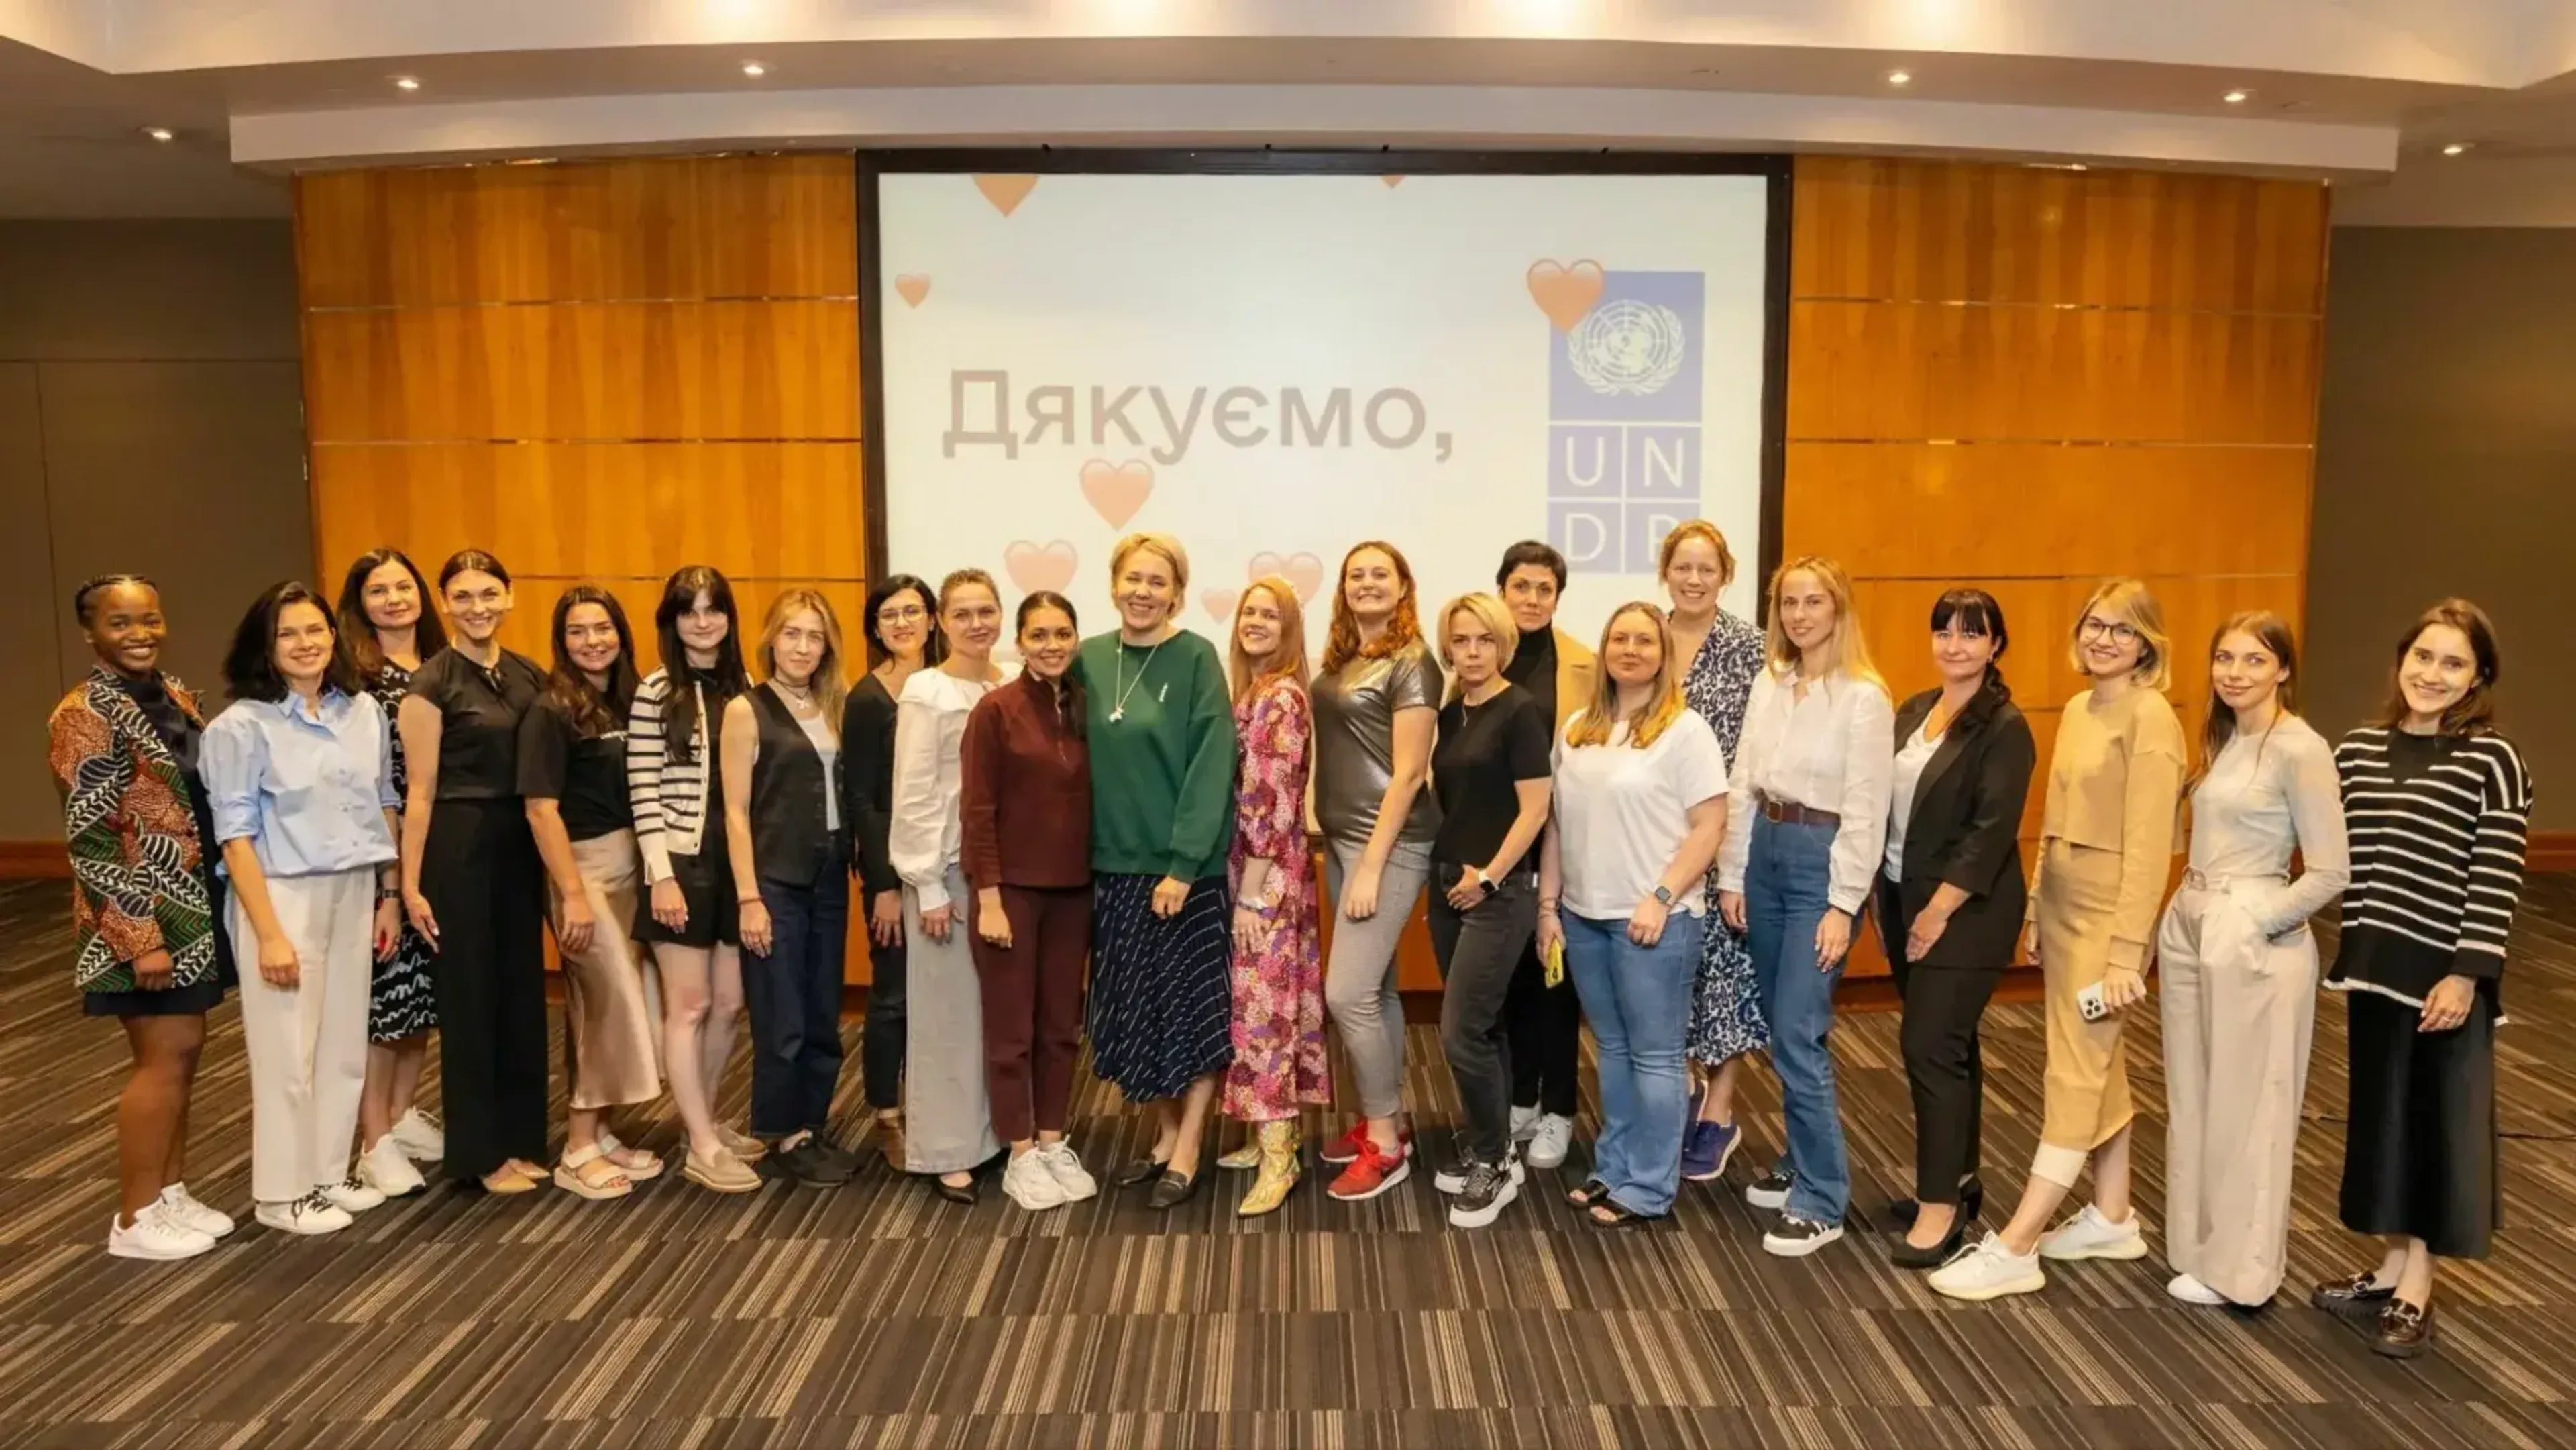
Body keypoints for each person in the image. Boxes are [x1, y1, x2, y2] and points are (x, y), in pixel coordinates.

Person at [1933, 578, 2184, 1301]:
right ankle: (2111, 1213)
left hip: (2111, 916)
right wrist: (2039, 905)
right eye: (2095, 624)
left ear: (2148, 644)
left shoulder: (2151, 718)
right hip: (2068, 906)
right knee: (2094, 1059)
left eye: (2123, 630)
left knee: (2076, 1068)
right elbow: (2054, 817)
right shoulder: (2080, 706)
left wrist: (2125, 953)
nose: (2104, 639)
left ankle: (2018, 1243)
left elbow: (2148, 849)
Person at [2310, 599, 2531, 1359]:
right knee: (2384, 1125)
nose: (2432, 674)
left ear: (2479, 677)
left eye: (2453, 663)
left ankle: (2419, 1285)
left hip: (2444, 980)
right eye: (2424, 656)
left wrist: (2468, 974)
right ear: (2401, 658)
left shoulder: (2492, 761)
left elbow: (2496, 875)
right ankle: (2390, 1262)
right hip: (2373, 969)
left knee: (2438, 1132)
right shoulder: (2358, 750)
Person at [2157, 611, 2347, 1306]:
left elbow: (2331, 871)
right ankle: (2199, 1249)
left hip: (2252, 933)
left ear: (2285, 669)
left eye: (2254, 660)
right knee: (2197, 1096)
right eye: (2225, 659)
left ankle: (2246, 1273)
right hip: (2192, 921)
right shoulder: (2223, 737)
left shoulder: (2301, 748)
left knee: (2251, 1110)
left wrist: (2255, 919)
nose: (2235, 673)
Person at [48, 574, 239, 1259]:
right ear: (91, 633)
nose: (139, 634)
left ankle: (169, 1191)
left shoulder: (174, 694)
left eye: (149, 620)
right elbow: (93, 837)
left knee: (185, 1053)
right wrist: (140, 939)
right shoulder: (84, 712)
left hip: (190, 908)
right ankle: (133, 1218)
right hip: (143, 920)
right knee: (161, 1058)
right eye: (121, 623)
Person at [203, 582, 402, 1235]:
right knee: (288, 1047)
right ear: (266, 645)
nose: (305, 643)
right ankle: (282, 1193)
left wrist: (388, 896)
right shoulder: (241, 725)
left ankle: (326, 1173)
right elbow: (234, 837)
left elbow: (382, 801)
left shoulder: (362, 711)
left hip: (353, 885)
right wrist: (268, 934)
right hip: (281, 892)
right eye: (288, 633)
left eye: (315, 630)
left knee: (343, 1040)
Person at [1715, 556, 1892, 1257]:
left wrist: (1843, 904)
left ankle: (1822, 1197)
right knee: (1780, 1019)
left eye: (1813, 601)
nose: (1798, 614)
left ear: (1839, 608)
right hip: (1764, 847)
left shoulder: (1864, 697)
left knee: (1797, 1028)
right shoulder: (1773, 681)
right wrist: (1733, 871)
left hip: (1821, 860)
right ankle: (1800, 1155)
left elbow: (1867, 810)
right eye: (1787, 602)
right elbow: (1741, 782)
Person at [1538, 602, 1729, 1227]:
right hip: (1585, 915)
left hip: (1655, 919)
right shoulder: (1576, 728)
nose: (1630, 649)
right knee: (1614, 1050)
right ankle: (1613, 1167)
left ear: (1663, 653)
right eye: (1619, 637)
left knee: (1655, 1055)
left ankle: (1649, 1183)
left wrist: (1663, 895)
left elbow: (1710, 826)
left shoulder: (1686, 730)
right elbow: (1559, 824)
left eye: (1644, 640)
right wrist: (1550, 906)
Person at [1075, 533, 1238, 1210]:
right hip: (1111, 870)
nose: (1143, 591)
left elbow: (1211, 766)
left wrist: (1182, 864)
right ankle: (1166, 1133)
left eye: (1158, 581)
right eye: (1132, 578)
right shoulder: (1086, 659)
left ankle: (1193, 1140)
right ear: (1113, 583)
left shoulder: (1196, 657)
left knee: (1193, 1014)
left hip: (1182, 876)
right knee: (1137, 1013)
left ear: (1176, 591)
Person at [1874, 589, 2036, 1269]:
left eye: (1972, 634)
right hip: (1902, 896)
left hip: (1966, 910)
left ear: (1996, 643)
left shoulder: (2005, 726)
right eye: (1944, 631)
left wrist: (1935, 913)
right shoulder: (1915, 709)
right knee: (1952, 1045)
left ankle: (1939, 1207)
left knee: (1928, 1046)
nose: (1955, 645)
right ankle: (1961, 1180)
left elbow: (1989, 834)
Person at [396, 550, 552, 1194]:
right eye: (462, 596)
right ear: (444, 603)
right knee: (470, 999)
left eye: (489, 592)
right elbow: (420, 793)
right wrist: (409, 885)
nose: (478, 607)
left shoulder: (528, 674)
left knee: (521, 993)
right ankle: (479, 1153)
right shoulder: (430, 684)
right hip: (457, 850)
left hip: (519, 844)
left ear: (511, 595)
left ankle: (520, 1139)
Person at [521, 586, 663, 1200]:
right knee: (602, 1005)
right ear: (562, 640)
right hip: (583, 872)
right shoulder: (551, 710)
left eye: (602, 628)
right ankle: (577, 1148)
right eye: (578, 631)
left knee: (616, 1003)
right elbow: (540, 809)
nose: (592, 641)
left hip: (631, 865)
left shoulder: (630, 700)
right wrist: (572, 894)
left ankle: (602, 1132)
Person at [961, 592, 1099, 1212]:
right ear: (1020, 641)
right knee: (1012, 1030)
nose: (1051, 645)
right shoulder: (995, 710)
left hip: (1075, 891)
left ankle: (1051, 1140)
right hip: (1010, 892)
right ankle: (1019, 1151)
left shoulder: (1086, 706)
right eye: (1039, 634)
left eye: (1062, 633)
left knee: (1061, 1027)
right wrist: (988, 896)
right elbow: (978, 810)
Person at [1311, 540, 1440, 1202]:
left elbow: (1410, 773)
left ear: (1403, 585)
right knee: (1380, 990)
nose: (1366, 583)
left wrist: (1370, 865)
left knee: (1347, 994)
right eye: (1355, 573)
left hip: (1386, 844)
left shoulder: (1412, 660)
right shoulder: (1342, 661)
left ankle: (1386, 1144)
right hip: (1340, 840)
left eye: (1379, 574)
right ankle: (1385, 1117)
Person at [628, 566, 761, 1193]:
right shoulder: (655, 691)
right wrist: (660, 876)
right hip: (679, 864)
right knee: (690, 1005)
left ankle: (699, 1123)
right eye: (689, 610)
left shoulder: (747, 688)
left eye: (713, 609)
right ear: (672, 620)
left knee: (731, 1004)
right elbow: (643, 792)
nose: (702, 621)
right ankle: (703, 1144)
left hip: (734, 863)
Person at [722, 590, 860, 1188]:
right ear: (771, 640)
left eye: (814, 636)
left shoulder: (836, 704)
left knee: (822, 1009)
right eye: (792, 634)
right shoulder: (746, 710)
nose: (803, 646)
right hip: (774, 881)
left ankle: (813, 1120)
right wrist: (749, 897)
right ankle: (784, 1131)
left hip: (829, 876)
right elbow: (733, 810)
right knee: (783, 1014)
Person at [1426, 592, 1552, 1229]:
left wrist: (1491, 876)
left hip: (1498, 893)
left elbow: (1535, 808)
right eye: (1460, 640)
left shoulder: (1520, 711)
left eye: (1483, 640)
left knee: (1458, 1032)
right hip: (1447, 885)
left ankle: (1493, 1160)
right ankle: (1497, 1141)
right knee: (1486, 1025)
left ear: (1501, 644)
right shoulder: (1451, 716)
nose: (1471, 652)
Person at [890, 569, 1011, 1202]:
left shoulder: (1009, 681)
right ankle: (946, 1148)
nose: (976, 623)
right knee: (946, 1018)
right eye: (961, 613)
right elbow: (911, 792)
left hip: (1000, 872)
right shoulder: (926, 690)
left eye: (986, 610)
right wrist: (925, 883)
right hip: (942, 871)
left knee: (993, 1014)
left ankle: (989, 1134)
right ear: (940, 621)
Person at [1213, 577, 1328, 1217]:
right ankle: (1268, 1137)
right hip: (1257, 867)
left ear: (1289, 629)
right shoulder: (1252, 691)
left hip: (1266, 875)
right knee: (1272, 1004)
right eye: (1249, 611)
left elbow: (1267, 800)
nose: (1256, 622)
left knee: (1265, 1011)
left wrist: (1252, 897)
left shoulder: (1280, 697)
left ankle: (1280, 1155)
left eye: (1270, 615)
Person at [335, 548, 448, 1191]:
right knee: (384, 999)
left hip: (439, 847)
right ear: (361, 602)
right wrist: (390, 875)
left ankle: (403, 1113)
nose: (394, 599)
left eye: (404, 586)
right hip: (387, 843)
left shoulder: (440, 666)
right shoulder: (354, 678)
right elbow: (370, 782)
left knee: (420, 994)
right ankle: (372, 1136)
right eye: (378, 590)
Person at [1662, 522, 1769, 1186]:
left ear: (1725, 574)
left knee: (1726, 977)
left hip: (1722, 831)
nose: (1693, 578)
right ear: (1665, 571)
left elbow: (1757, 754)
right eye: (1682, 566)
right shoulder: (1642, 634)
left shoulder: (1752, 648)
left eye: (1706, 568)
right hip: (1649, 836)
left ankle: (1720, 1110)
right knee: (1667, 976)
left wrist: (1737, 855)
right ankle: (1674, 1097)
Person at [1493, 541, 1596, 1171]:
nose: (1531, 599)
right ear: (1502, 589)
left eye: (1544, 589)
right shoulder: (1475, 657)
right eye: (1521, 586)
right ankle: (1522, 1098)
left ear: (1558, 596)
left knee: (1556, 985)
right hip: (1496, 852)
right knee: (1507, 984)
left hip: (1562, 845)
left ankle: (1559, 1109)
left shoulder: (1585, 664)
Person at [843, 574, 943, 1163]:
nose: (902, 623)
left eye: (912, 611)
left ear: (933, 619)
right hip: (892, 872)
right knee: (893, 995)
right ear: (876, 628)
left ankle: (939, 1105)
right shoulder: (867, 698)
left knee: (944, 995)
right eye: (889, 615)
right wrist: (881, 885)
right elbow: (862, 799)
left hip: (946, 862)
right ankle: (886, 1111)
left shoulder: (947, 684)